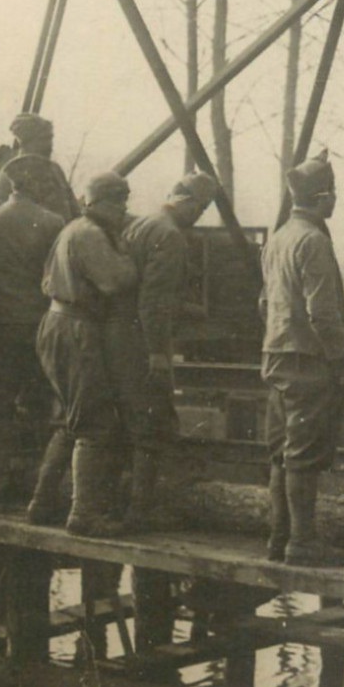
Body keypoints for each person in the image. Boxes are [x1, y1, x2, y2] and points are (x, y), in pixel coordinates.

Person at [109, 171, 220, 529]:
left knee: (130, 419)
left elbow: (141, 287)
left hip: (121, 335)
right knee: (152, 421)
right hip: (143, 342)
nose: (200, 215)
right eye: (200, 208)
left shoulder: (141, 225)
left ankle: (119, 502)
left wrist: (185, 308)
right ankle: (141, 510)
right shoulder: (170, 235)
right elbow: (154, 301)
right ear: (185, 200)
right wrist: (158, 352)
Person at [260, 154, 344, 567]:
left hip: (277, 354)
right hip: (306, 361)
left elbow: (264, 301)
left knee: (283, 450)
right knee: (303, 453)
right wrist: (343, 362)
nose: (335, 202)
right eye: (332, 196)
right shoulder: (313, 241)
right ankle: (302, 542)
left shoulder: (280, 236)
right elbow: (323, 313)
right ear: (323, 198)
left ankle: (280, 537)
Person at [34, 172, 138, 536]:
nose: (123, 209)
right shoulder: (91, 235)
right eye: (119, 202)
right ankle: (84, 514)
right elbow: (114, 281)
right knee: (94, 423)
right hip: (76, 328)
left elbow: (46, 281)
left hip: (57, 322)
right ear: (100, 203)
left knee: (69, 419)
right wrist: (130, 257)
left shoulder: (72, 229)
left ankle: (42, 501)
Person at [0, 155, 67, 498]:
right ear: (37, 184)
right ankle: (39, 476)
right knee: (40, 398)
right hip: (37, 326)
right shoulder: (53, 223)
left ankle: (0, 473)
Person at [0, 113, 81, 221]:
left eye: (50, 138)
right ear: (27, 142)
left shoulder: (55, 170)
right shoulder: (9, 174)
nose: (50, 144)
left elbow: (73, 208)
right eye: (44, 139)